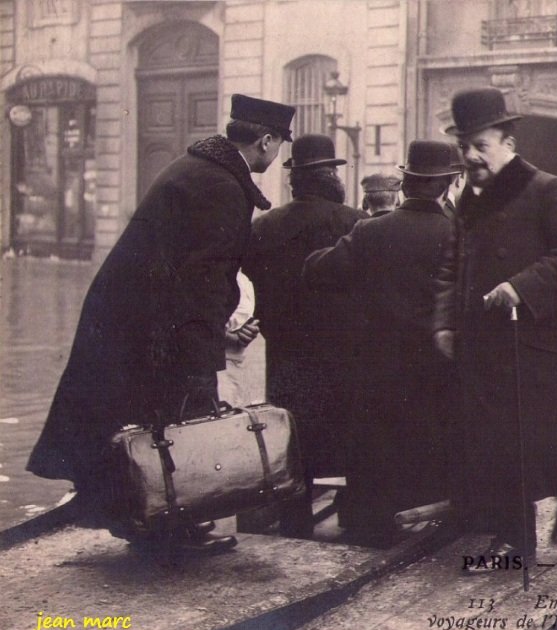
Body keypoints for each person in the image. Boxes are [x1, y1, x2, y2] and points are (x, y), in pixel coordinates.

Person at [27, 94, 295, 554]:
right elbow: (202, 279)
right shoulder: (221, 185)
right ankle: (168, 534)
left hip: (133, 320)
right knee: (172, 427)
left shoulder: (200, 170)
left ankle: (147, 522)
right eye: (279, 146)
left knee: (138, 424)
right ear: (266, 141)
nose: (278, 155)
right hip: (155, 328)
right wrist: (207, 347)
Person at [434, 87, 557, 570]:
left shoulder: (546, 189)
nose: (471, 156)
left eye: (481, 145)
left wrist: (520, 287)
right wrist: (445, 324)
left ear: (508, 142)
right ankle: (515, 538)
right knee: (498, 441)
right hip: (487, 343)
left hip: (544, 341)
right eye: (464, 146)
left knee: (548, 442)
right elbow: (452, 266)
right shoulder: (466, 200)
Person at [304, 140, 459, 547]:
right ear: (448, 184)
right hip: (436, 368)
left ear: (405, 184)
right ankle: (426, 521)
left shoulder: (370, 231)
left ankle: (367, 520)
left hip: (374, 365)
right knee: (430, 439)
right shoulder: (459, 234)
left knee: (373, 442)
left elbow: (318, 270)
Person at [241, 133, 366, 539]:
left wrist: (267, 322)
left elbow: (247, 288)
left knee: (293, 434)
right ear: (330, 176)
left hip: (287, 350)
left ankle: (295, 522)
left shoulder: (264, 227)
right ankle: (354, 518)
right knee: (347, 430)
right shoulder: (356, 223)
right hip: (344, 351)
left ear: (295, 180)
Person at [216, 270, 260, 408]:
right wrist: (227, 336)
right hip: (214, 369)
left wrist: (248, 331)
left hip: (241, 366)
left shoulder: (242, 278)